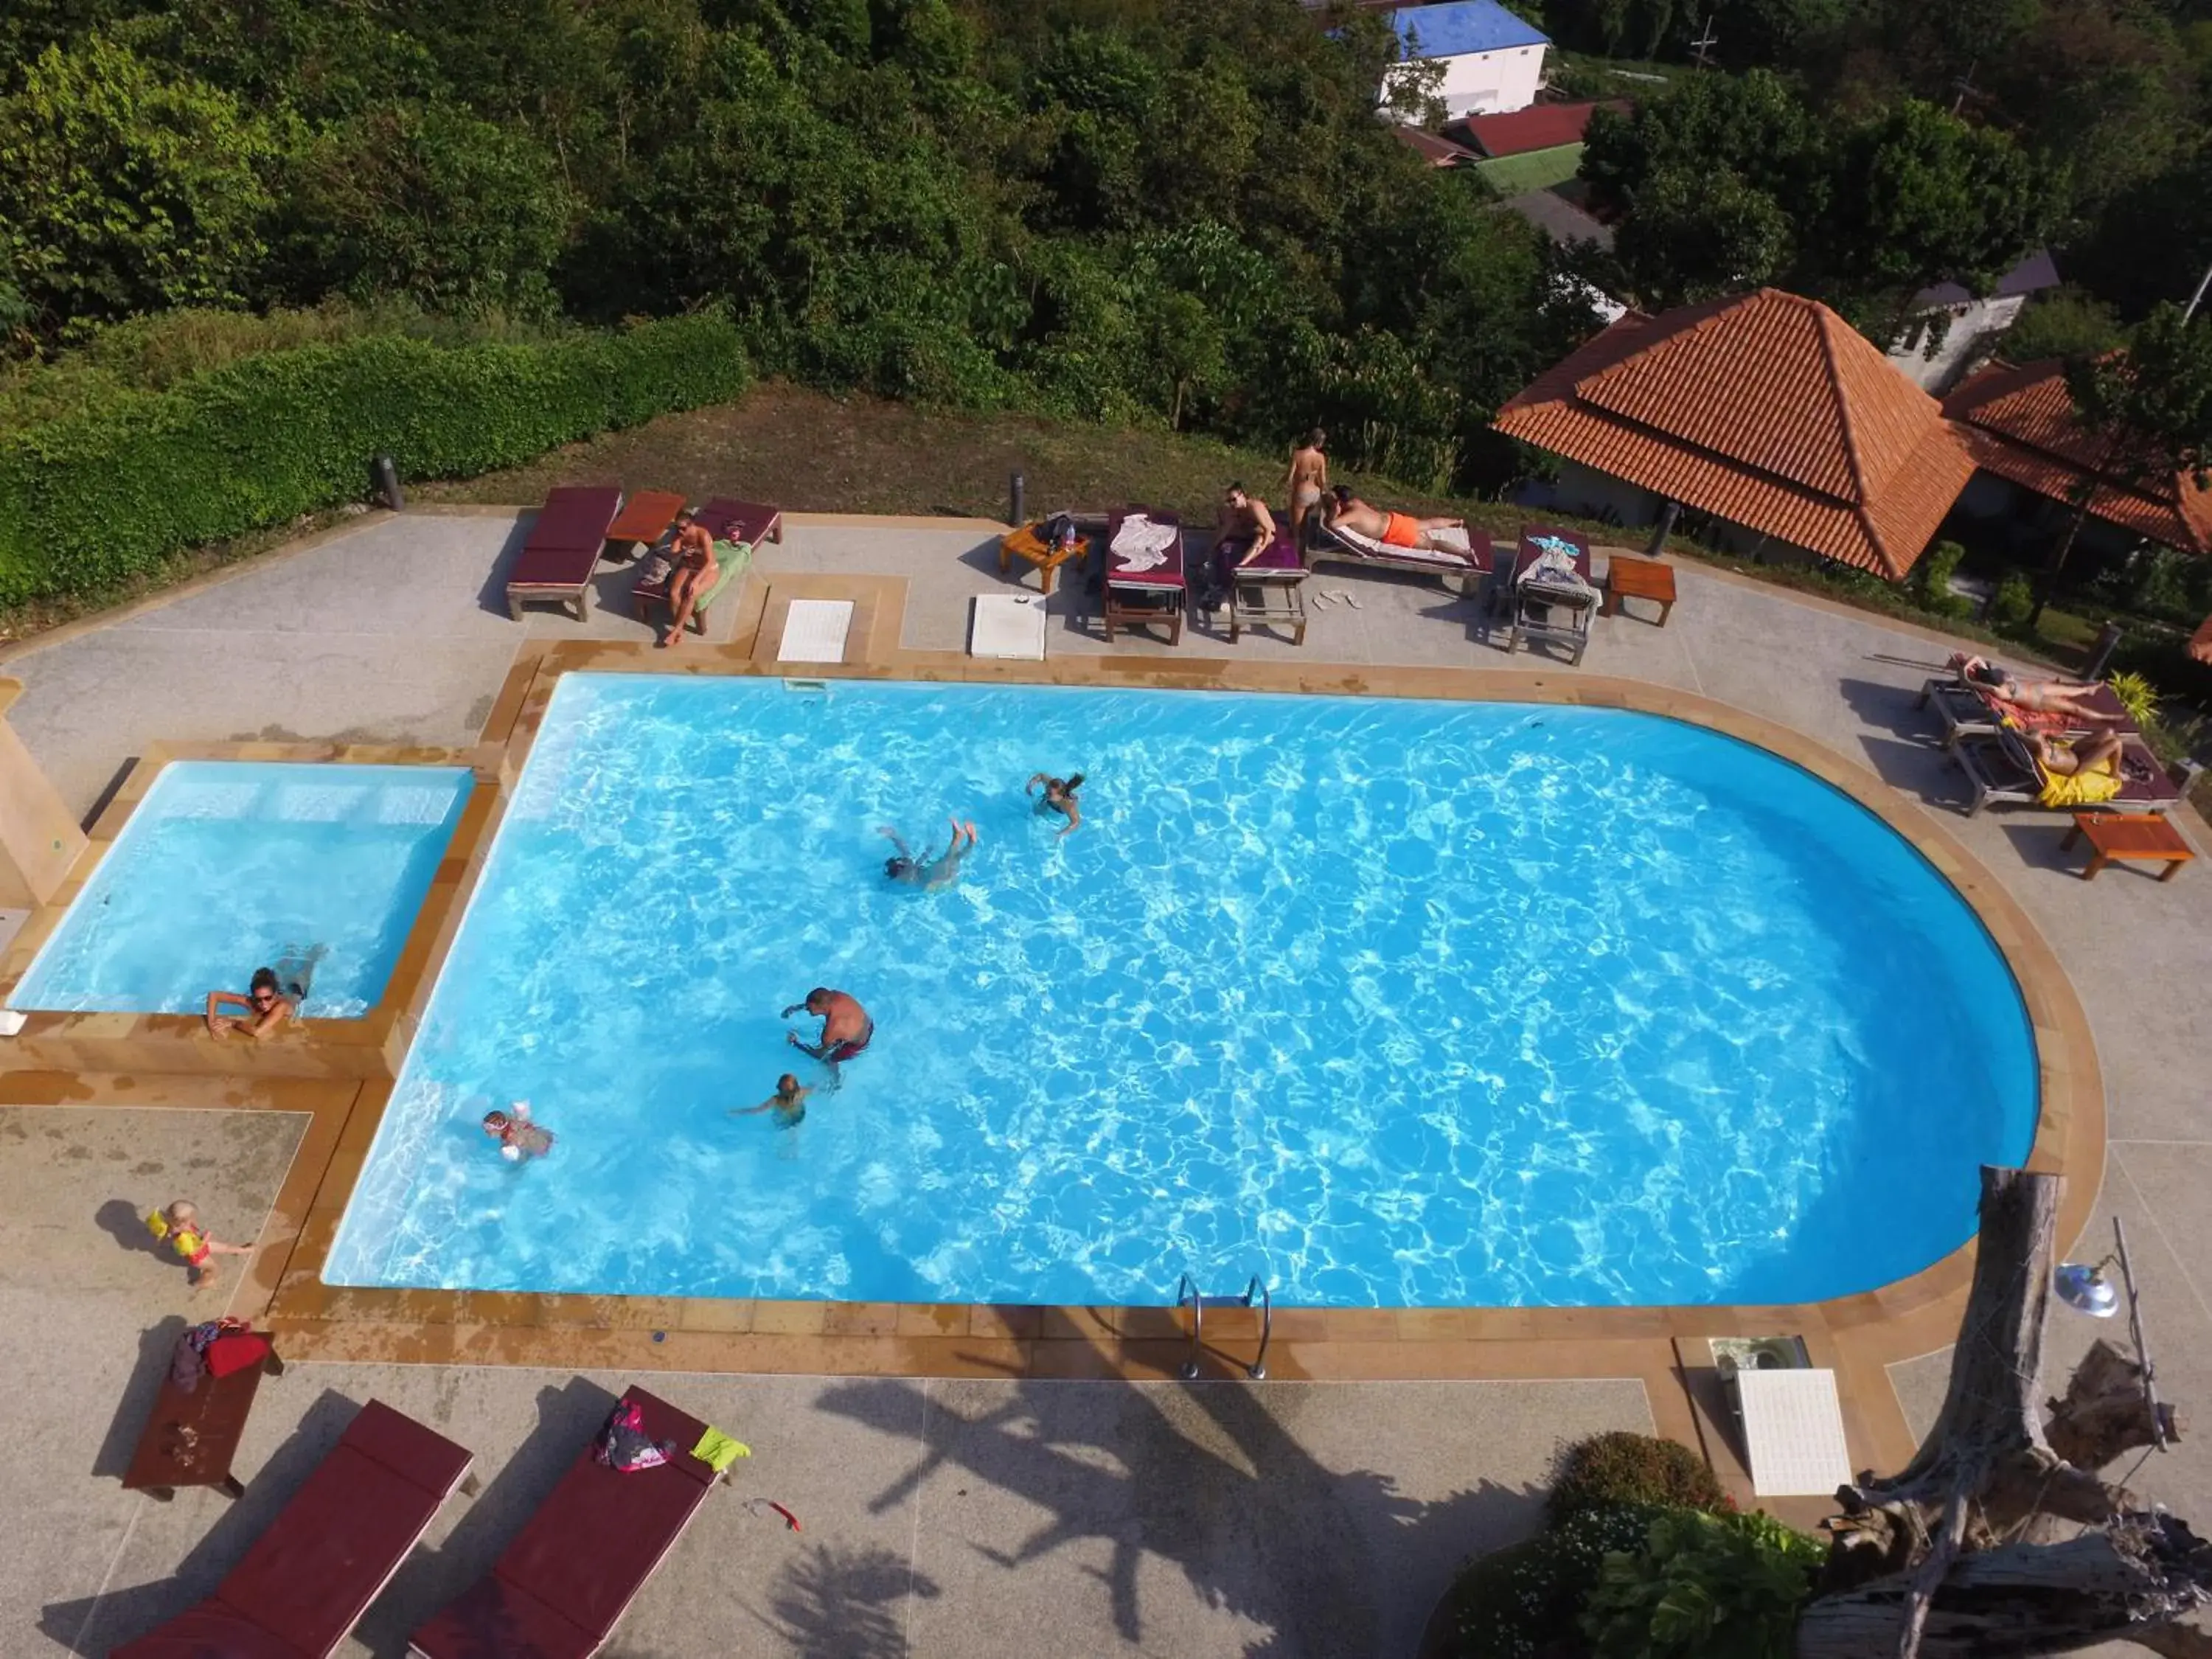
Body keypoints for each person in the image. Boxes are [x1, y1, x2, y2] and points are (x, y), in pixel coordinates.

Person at [1951, 654, 2121, 724]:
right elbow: (1969, 684)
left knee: (2065, 689)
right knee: (2074, 708)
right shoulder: (1998, 690)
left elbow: (1977, 658)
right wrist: (1964, 674)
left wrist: (1966, 665)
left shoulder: (1994, 673)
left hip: (2036, 688)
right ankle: (2106, 717)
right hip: (2036, 701)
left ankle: (2087, 690)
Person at [1323, 486, 1474, 558]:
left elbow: (1332, 524)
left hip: (1394, 532)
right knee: (1427, 523)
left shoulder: (1353, 514)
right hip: (1395, 519)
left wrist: (1334, 511)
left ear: (1339, 502)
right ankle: (1457, 521)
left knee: (1432, 544)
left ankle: (1465, 553)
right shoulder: (1356, 502)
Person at [146, 1200, 256, 1291]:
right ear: (182, 1225)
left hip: (199, 1244)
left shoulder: (175, 1226)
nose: (193, 1221)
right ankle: (202, 1282)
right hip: (197, 1256)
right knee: (213, 1268)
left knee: (225, 1247)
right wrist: (205, 1239)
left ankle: (243, 1250)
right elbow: (193, 1251)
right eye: (191, 1220)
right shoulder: (182, 1240)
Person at [782, 987, 873, 1085]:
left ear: (822, 1007)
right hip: (867, 1024)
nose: (808, 1010)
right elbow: (820, 1000)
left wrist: (796, 1043)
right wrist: (796, 1008)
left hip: (858, 1044)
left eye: (809, 1008)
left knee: (829, 1060)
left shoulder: (832, 1029)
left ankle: (836, 1083)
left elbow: (820, 1055)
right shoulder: (836, 995)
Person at [657, 512, 720, 649]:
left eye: (684, 528)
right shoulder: (678, 538)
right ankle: (679, 627)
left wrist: (696, 581)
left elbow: (709, 562)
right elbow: (672, 558)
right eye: (677, 528)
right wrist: (682, 553)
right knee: (674, 594)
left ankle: (676, 630)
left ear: (692, 525)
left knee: (691, 593)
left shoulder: (703, 535)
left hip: (708, 570)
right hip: (688, 567)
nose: (680, 531)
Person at [2028, 728, 2127, 807]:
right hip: (2077, 767)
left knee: (2109, 732)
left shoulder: (2042, 747)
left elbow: (2030, 735)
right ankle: (2114, 773)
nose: (2043, 740)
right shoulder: (2043, 755)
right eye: (2041, 741)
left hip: (2073, 751)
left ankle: (2111, 761)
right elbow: (2039, 749)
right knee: (2116, 744)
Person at [880, 818, 980, 890]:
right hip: (936, 879)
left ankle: (967, 841)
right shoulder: (909, 871)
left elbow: (905, 851)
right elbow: (905, 851)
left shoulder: (908, 871)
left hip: (937, 877)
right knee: (951, 859)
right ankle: (961, 840)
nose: (905, 862)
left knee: (953, 859)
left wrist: (894, 836)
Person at [206, 967, 295, 1040]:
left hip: (296, 995)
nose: (263, 1004)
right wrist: (211, 1025)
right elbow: (214, 995)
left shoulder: (282, 1006)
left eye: (268, 998)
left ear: (275, 995)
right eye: (258, 999)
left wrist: (233, 1023)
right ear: (253, 997)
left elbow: (257, 1032)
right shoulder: (252, 1002)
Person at [1285, 430, 1329, 532]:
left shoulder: (1298, 454)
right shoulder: (1321, 457)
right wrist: (1324, 493)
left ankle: (1297, 547)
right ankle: (1307, 546)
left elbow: (1289, 477)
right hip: (1315, 493)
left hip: (1302, 493)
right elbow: (1323, 480)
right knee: (1307, 529)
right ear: (1319, 443)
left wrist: (1284, 483)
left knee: (1297, 529)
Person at [481, 1101, 555, 1161]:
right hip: (546, 1133)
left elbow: (522, 1157)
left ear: (498, 1129)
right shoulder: (512, 1119)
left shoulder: (510, 1140)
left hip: (542, 1148)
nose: (486, 1132)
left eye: (488, 1131)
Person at [731, 1073, 812, 1127]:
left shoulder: (778, 1099)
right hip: (791, 1119)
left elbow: (757, 1110)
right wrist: (738, 1112)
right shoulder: (800, 1093)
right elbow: (757, 1110)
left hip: (792, 1119)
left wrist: (737, 1112)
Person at [1026, 771, 1084, 836]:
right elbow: (1041, 775)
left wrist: (1061, 834)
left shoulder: (1067, 805)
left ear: (1060, 796)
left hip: (1058, 810)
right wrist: (1030, 785)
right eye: (1047, 789)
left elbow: (1076, 822)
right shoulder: (1052, 786)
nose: (1047, 794)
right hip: (1052, 801)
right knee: (1036, 811)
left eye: (1050, 793)